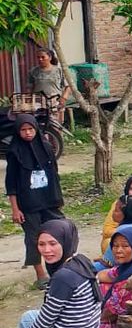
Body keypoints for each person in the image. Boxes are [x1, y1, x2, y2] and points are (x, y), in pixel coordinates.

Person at [0, 219, 101, 328]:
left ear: (65, 241)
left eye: (53, 244)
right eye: (41, 244)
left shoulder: (64, 277)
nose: (47, 250)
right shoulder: (81, 260)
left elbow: (47, 317)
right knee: (28, 317)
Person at [5, 115, 63, 288]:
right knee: (33, 238)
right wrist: (15, 209)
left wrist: (58, 198)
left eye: (30, 129)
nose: (28, 133)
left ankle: (59, 270)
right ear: (18, 132)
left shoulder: (46, 146)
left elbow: (54, 174)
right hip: (28, 205)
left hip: (49, 201)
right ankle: (40, 274)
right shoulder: (14, 153)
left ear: (36, 129)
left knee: (59, 232)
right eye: (23, 130)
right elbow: (11, 184)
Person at [27, 49, 65, 121]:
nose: (40, 59)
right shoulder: (33, 71)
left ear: (50, 57)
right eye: (38, 57)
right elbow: (29, 88)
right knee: (39, 123)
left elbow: (68, 86)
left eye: (43, 57)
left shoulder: (58, 71)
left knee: (56, 124)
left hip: (55, 101)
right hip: (38, 102)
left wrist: (63, 98)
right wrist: (29, 100)